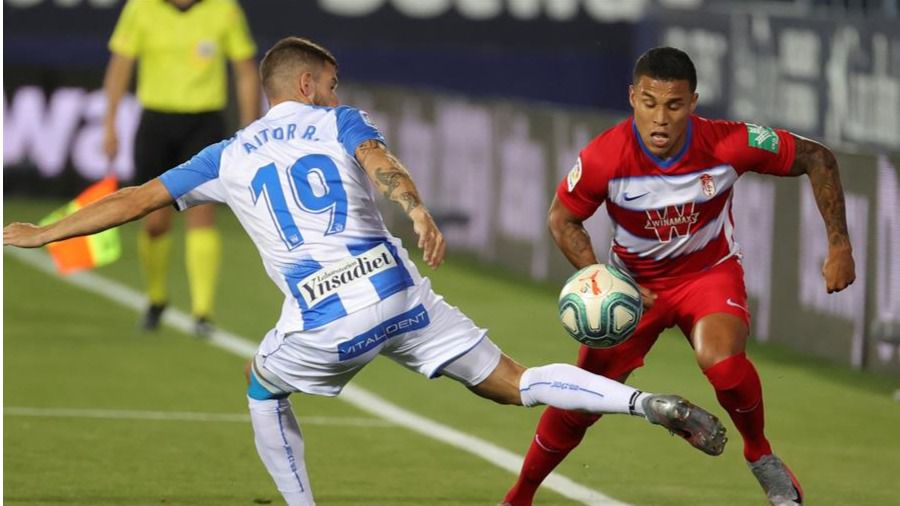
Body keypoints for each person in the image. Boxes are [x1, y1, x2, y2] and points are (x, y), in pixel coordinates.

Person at [4, 37, 728, 505]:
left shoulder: (227, 154)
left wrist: (46, 232)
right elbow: (381, 164)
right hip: (399, 290)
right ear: (309, 82)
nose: (337, 91)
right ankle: (645, 404)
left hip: (328, 316)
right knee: (517, 382)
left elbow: (136, 199)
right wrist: (416, 210)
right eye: (333, 82)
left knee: (262, 387)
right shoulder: (338, 122)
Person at [500, 47, 856, 506]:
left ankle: (760, 453)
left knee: (722, 364)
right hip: (633, 288)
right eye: (649, 103)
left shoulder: (729, 143)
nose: (661, 119)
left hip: (707, 275)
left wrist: (840, 245)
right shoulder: (605, 157)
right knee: (581, 400)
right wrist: (600, 278)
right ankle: (519, 496)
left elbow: (818, 157)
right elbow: (562, 219)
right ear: (632, 98)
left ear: (693, 103)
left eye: (674, 105)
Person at [102, 0, 260, 336]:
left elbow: (246, 70)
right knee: (154, 221)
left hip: (204, 124)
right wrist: (109, 123)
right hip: (156, 122)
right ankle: (156, 297)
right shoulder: (141, 8)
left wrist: (251, 130)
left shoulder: (223, 9)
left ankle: (203, 312)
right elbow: (120, 65)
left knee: (202, 214)